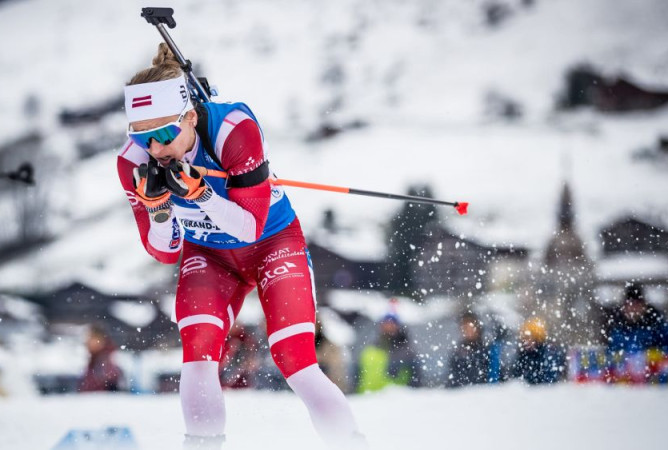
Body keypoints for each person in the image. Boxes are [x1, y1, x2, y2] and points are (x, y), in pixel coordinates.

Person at [116, 44, 363, 449]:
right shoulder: (132, 163)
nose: (155, 151)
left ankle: (352, 444)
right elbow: (164, 251)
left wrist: (201, 197)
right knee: (197, 355)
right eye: (143, 138)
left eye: (163, 135)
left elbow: (250, 227)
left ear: (190, 117)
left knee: (294, 360)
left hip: (271, 242)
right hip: (208, 255)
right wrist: (159, 210)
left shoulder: (233, 129)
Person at [604, 283, 668, 355]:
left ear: (644, 306)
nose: (633, 309)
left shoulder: (658, 326)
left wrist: (652, 355)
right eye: (629, 305)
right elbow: (611, 355)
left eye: (636, 305)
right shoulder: (617, 328)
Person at [356, 314, 422, 393]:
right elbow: (357, 375)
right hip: (366, 399)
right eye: (385, 324)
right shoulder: (369, 350)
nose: (388, 327)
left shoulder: (407, 352)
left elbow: (416, 379)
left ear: (398, 327)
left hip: (395, 400)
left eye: (392, 324)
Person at [510, 317, 566, 385]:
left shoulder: (547, 355)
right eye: (523, 338)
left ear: (537, 340)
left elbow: (549, 380)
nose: (525, 342)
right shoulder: (522, 355)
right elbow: (515, 376)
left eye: (528, 338)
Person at [446, 312, 490, 388]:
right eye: (465, 327)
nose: (468, 331)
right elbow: (453, 379)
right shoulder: (458, 352)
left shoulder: (488, 350)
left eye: (470, 326)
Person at [78, 324, 123, 392]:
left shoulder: (105, 359)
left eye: (90, 338)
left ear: (99, 340)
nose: (87, 342)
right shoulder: (94, 358)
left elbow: (99, 387)